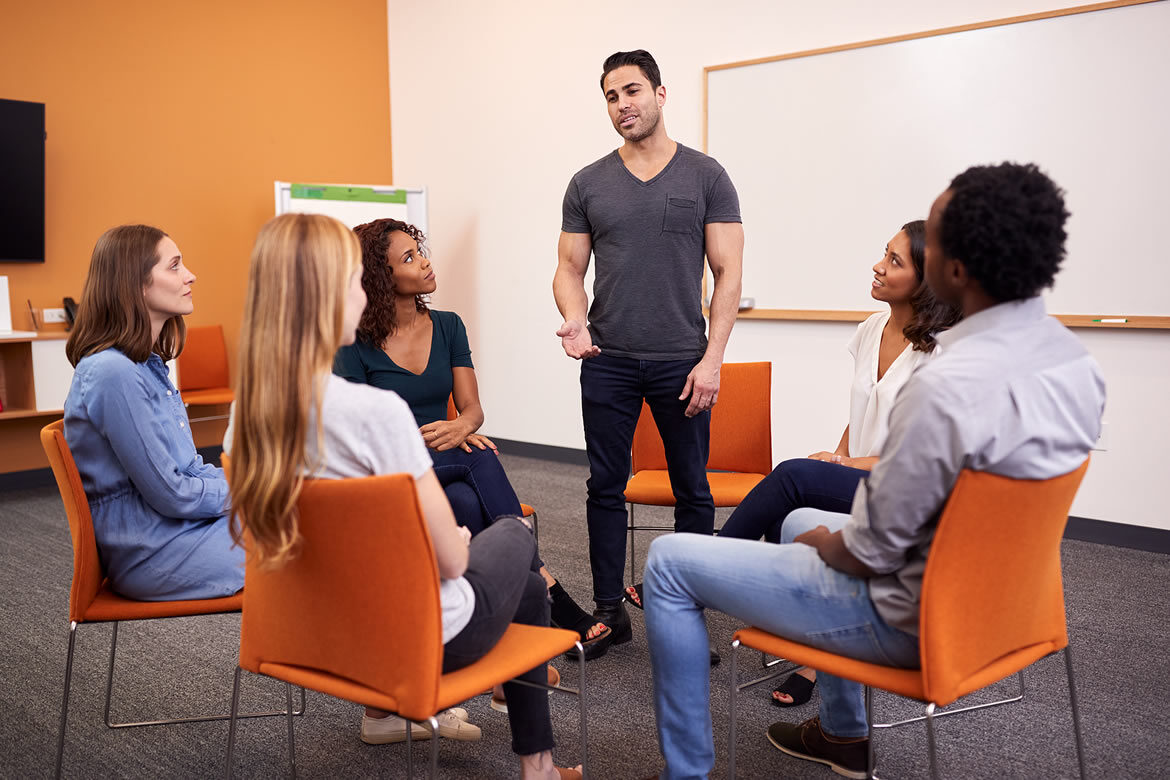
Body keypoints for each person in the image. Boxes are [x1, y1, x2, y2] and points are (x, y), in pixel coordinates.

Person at [642, 162, 1105, 779]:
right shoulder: (1071, 363)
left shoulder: (944, 383)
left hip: (910, 616)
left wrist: (825, 545)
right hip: (1006, 606)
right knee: (802, 511)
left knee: (671, 561)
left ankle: (687, 775)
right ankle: (843, 736)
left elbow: (872, 549)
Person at [227, 213, 580, 779]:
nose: (361, 293)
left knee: (479, 514)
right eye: (352, 280)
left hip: (311, 636)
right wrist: (454, 540)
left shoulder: (247, 416)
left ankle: (534, 755)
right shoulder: (375, 414)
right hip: (412, 640)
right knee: (510, 535)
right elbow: (453, 560)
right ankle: (538, 765)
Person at [333, 218, 612, 662]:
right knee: (479, 461)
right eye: (408, 258)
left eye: (419, 251)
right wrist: (457, 436)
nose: (424, 262)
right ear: (380, 278)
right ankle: (550, 594)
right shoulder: (353, 343)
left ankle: (487, 626)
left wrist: (463, 427)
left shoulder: (447, 326)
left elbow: (472, 409)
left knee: (465, 502)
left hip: (444, 458)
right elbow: (357, 432)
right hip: (389, 466)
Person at [709, 219, 959, 707]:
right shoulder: (871, 328)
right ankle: (812, 646)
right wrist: (841, 458)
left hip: (907, 493)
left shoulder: (944, 351)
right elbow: (860, 413)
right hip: (864, 478)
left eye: (894, 261)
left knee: (794, 475)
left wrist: (841, 468)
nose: (878, 266)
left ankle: (714, 562)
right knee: (793, 503)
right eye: (883, 253)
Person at [553, 48, 744, 645]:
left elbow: (727, 274)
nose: (621, 105)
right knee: (604, 487)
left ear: (660, 94)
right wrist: (575, 320)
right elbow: (567, 268)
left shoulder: (706, 176)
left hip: (681, 363)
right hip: (606, 360)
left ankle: (686, 614)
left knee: (694, 490)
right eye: (611, 96)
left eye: (631, 91)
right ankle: (610, 610)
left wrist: (711, 361)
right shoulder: (587, 183)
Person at [63, 224, 242, 601]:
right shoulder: (114, 374)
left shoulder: (146, 365)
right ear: (136, 284)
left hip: (172, 532)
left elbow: (188, 468)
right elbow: (174, 494)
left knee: (305, 523)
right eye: (174, 266)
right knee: (306, 542)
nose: (190, 275)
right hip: (152, 551)